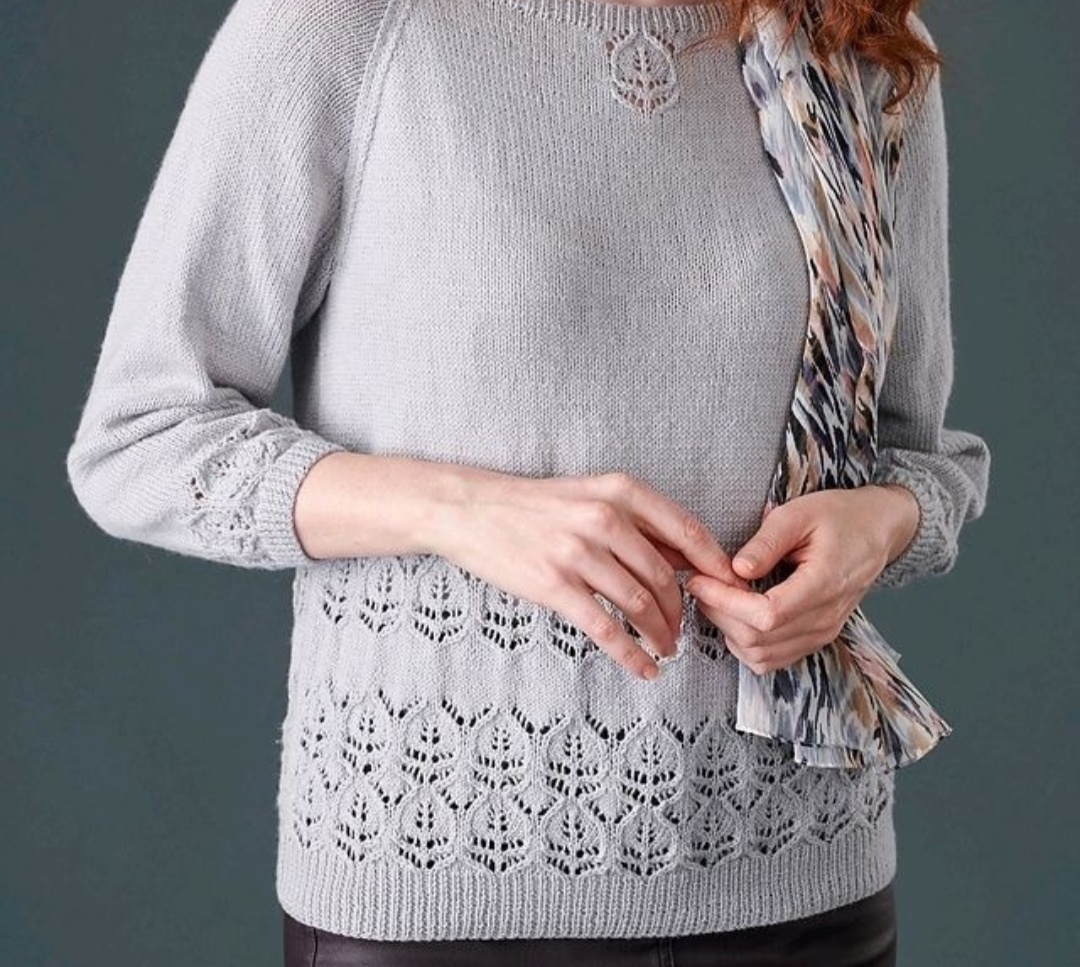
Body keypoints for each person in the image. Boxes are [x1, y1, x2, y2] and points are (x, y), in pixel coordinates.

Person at [65, 0, 991, 964]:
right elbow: (142, 435)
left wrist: (880, 524)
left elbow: (917, 454)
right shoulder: (348, 23)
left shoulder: (857, 40)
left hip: (806, 875)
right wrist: (457, 508)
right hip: (440, 885)